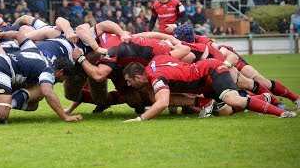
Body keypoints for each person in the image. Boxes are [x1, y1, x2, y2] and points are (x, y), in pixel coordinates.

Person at [122, 57, 296, 122]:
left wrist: (139, 119)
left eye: (129, 81)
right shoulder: (155, 61)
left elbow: (163, 103)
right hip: (204, 79)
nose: (128, 85)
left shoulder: (157, 77)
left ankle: (282, 113)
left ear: (138, 77)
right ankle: (266, 98)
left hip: (211, 71)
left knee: (232, 99)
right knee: (225, 111)